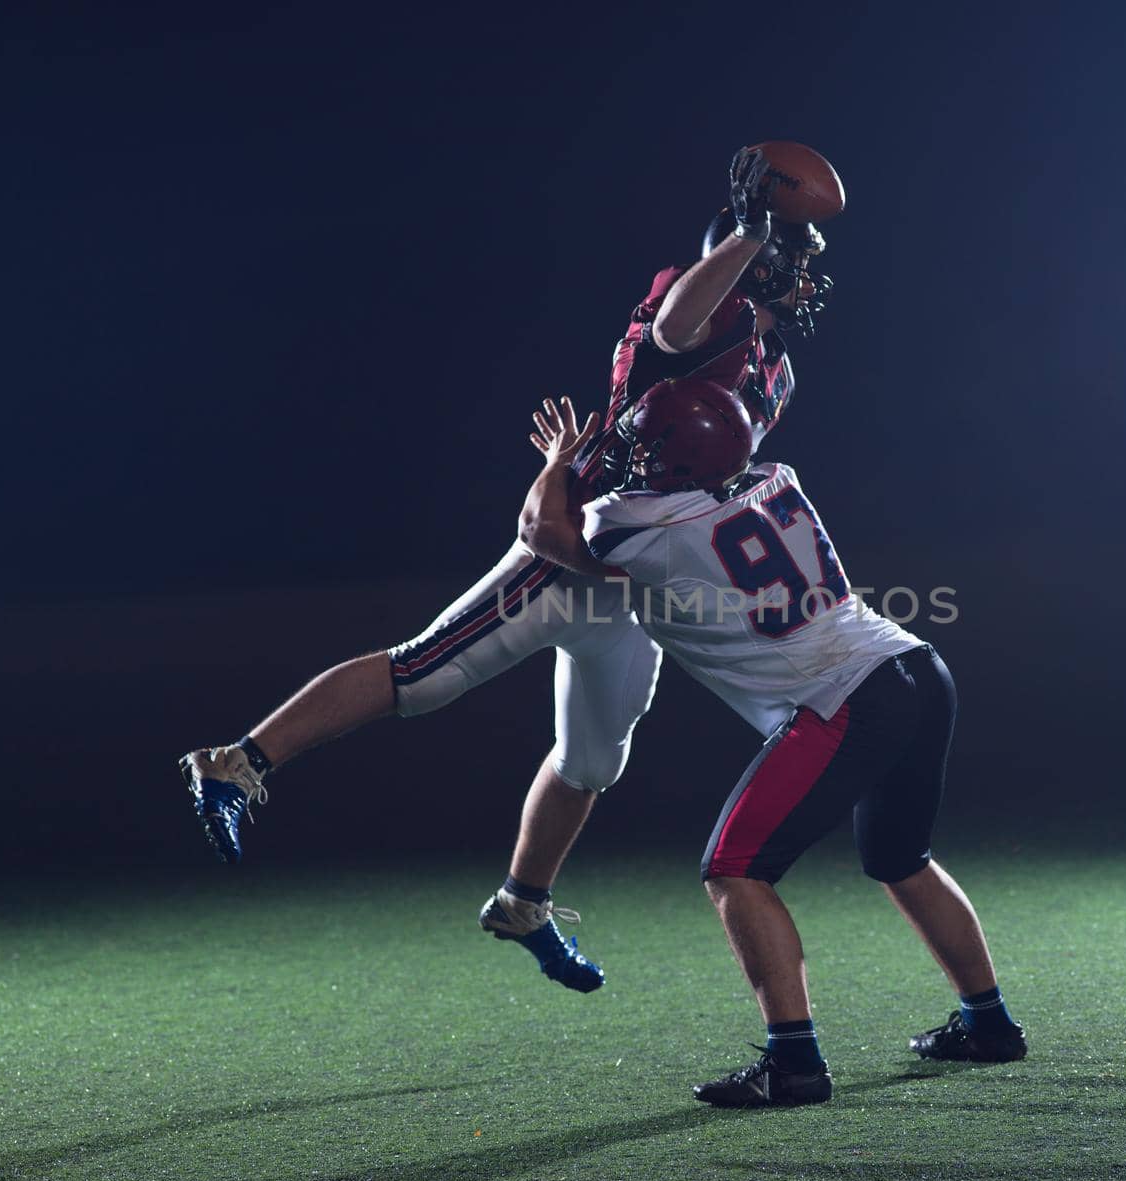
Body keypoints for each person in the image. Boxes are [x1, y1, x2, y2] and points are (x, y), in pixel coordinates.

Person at [177, 147, 834, 994]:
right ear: (754, 261)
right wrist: (748, 236)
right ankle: (236, 761)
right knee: (425, 674)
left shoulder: (777, 370)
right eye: (798, 260)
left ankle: (524, 901)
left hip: (639, 584)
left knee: (596, 759)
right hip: (574, 549)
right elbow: (674, 327)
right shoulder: (699, 314)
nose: (810, 277)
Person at [517, 380, 1027, 1108]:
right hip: (915, 664)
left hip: (844, 699)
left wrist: (559, 460)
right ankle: (991, 1025)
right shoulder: (774, 476)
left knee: (733, 869)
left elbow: (542, 532)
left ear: (668, 459)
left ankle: (794, 1063)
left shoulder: (638, 525)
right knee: (900, 858)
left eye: (643, 440)